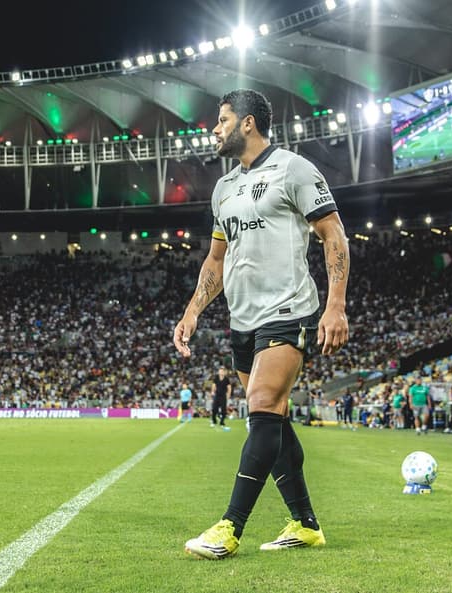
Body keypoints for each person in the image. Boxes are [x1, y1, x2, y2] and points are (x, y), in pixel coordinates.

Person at [172, 88, 350, 559]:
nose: (215, 129)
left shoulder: (294, 169)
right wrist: (193, 310)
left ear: (248, 123)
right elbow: (215, 258)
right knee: (272, 419)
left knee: (262, 405)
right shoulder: (223, 188)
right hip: (242, 319)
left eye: (223, 120)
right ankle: (306, 524)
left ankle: (230, 528)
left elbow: (333, 233)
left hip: (289, 309)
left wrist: (335, 305)